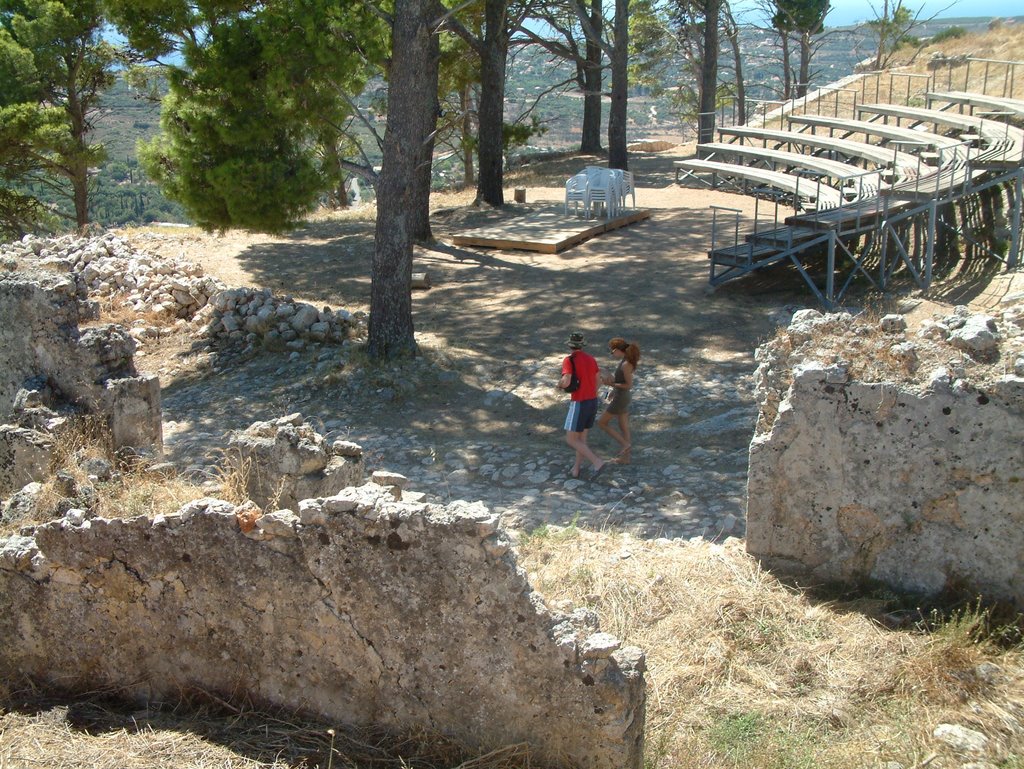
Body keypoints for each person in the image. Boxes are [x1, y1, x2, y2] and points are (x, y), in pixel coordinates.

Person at [559, 332, 608, 480]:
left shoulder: (569, 360)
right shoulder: (591, 359)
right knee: (582, 439)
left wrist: (559, 385)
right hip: (592, 401)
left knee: (571, 439)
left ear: (570, 345)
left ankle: (597, 462)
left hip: (579, 402)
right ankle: (576, 469)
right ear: (582, 345)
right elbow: (599, 380)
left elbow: (566, 380)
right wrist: (591, 391)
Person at [598, 337, 640, 464]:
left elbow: (629, 385)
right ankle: (626, 458)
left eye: (612, 352)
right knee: (624, 427)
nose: (612, 354)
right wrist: (613, 390)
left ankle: (625, 445)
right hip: (621, 396)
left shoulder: (626, 364)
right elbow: (621, 382)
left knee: (602, 423)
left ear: (617, 350)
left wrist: (611, 385)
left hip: (622, 398)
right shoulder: (624, 361)